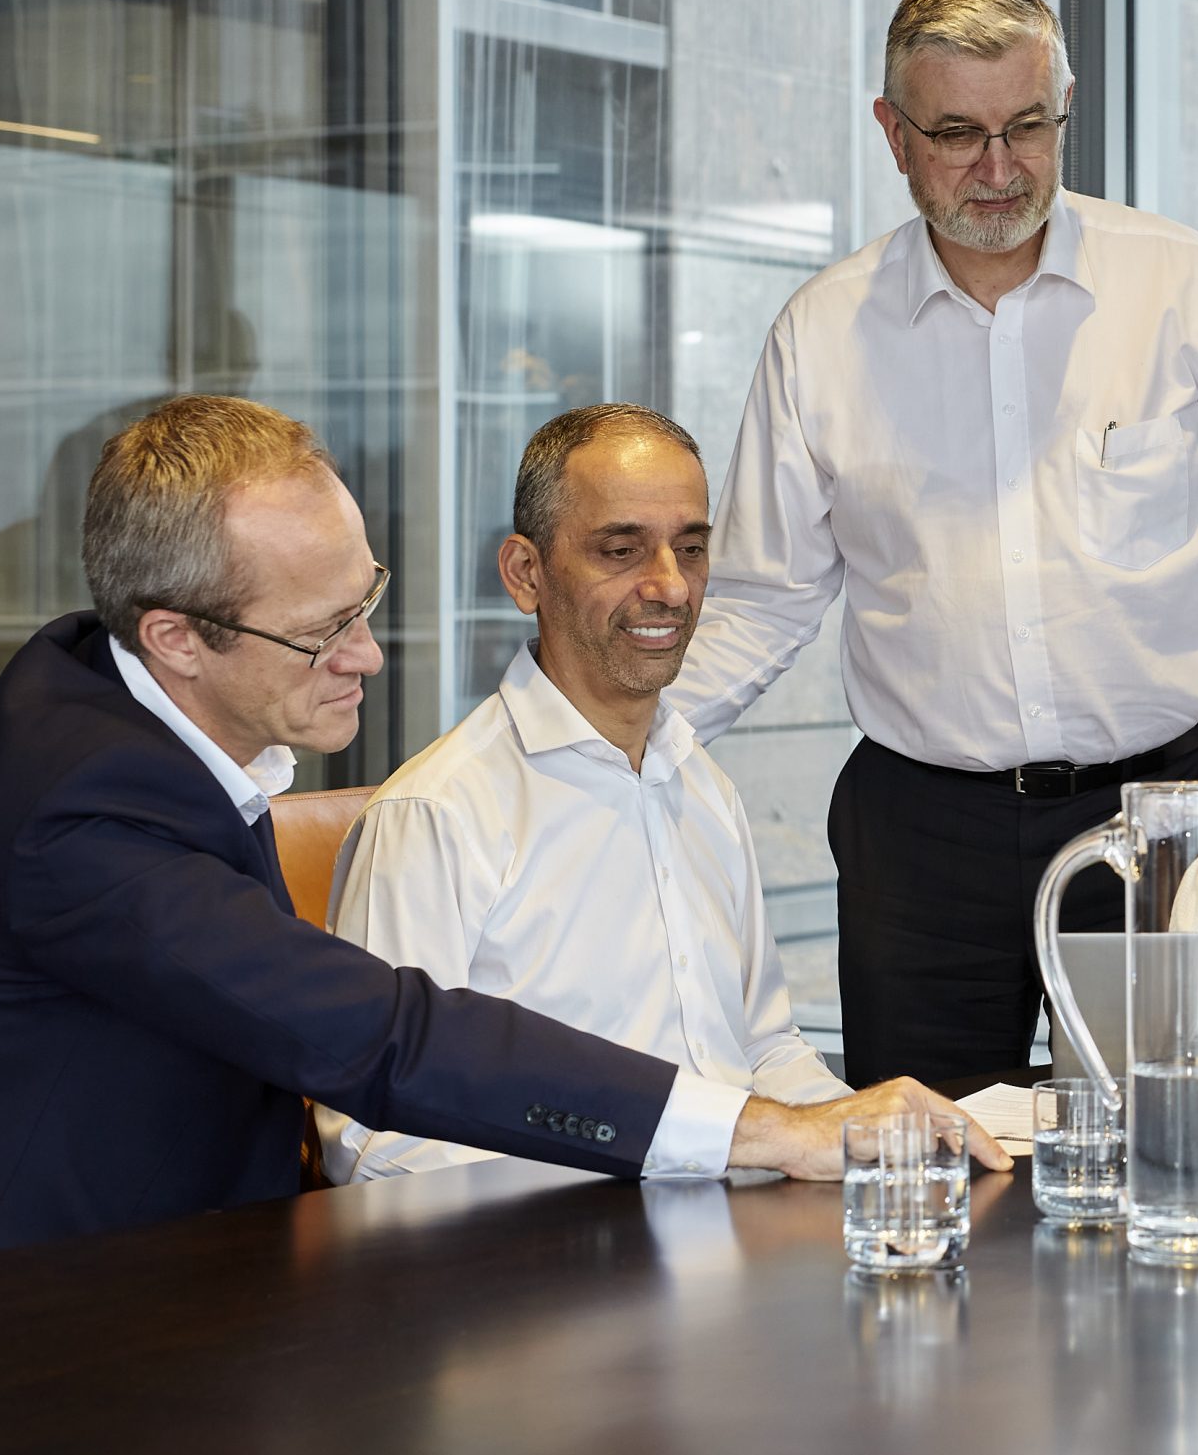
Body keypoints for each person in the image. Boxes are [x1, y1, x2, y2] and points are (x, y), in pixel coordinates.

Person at [0, 397, 1002, 1282]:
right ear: (178, 637)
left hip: (163, 1285)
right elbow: (377, 1035)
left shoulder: (114, 696)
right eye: (323, 629)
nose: (370, 657)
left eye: (367, 602)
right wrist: (756, 1131)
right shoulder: (81, 811)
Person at [675, 0, 1198, 1087]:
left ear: (1064, 112)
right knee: (926, 1167)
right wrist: (623, 745)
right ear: (893, 134)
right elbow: (762, 597)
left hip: (1162, 819)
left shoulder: (1182, 287)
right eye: (956, 133)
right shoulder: (820, 333)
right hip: (923, 840)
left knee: (1181, 1152)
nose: (999, 169)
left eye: (1027, 126)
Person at [320, 404, 907, 1182]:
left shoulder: (703, 784)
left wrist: (882, 1144)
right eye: (621, 550)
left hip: (740, 1241)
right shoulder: (436, 815)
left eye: (690, 549)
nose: (669, 586)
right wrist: (664, 1163)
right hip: (560, 1271)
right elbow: (374, 1148)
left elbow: (764, 1050)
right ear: (526, 574)